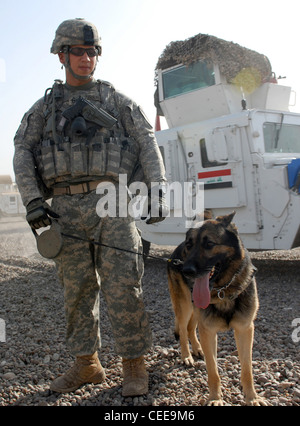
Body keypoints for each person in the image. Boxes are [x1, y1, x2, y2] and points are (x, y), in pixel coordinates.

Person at [13, 18, 168, 396]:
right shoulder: (43, 109)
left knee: (124, 286)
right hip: (64, 210)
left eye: (92, 52)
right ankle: (87, 366)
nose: (87, 58)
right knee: (77, 291)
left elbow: (147, 142)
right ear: (62, 55)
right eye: (79, 52)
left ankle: (134, 365)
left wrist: (159, 189)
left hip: (112, 204)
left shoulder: (116, 101)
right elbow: (22, 152)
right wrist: (34, 201)